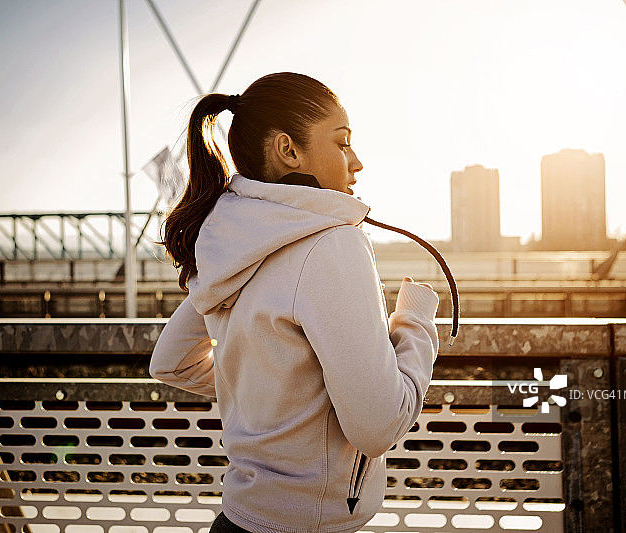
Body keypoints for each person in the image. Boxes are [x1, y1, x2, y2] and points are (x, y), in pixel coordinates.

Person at [149, 72, 439, 533]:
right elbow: (379, 426)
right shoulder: (332, 244)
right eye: (342, 143)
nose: (357, 162)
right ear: (289, 150)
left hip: (238, 519)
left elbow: (171, 363)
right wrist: (416, 322)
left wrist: (279, 384)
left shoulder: (228, 244)